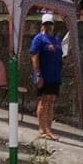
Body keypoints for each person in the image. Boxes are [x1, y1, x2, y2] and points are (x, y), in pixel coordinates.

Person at [29, 11, 64, 141]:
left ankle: (48, 129)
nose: (48, 26)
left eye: (50, 23)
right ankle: (42, 129)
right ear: (42, 25)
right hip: (45, 75)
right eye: (46, 24)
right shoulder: (39, 39)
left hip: (55, 76)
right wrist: (38, 74)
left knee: (51, 102)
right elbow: (34, 57)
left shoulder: (57, 40)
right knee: (43, 101)